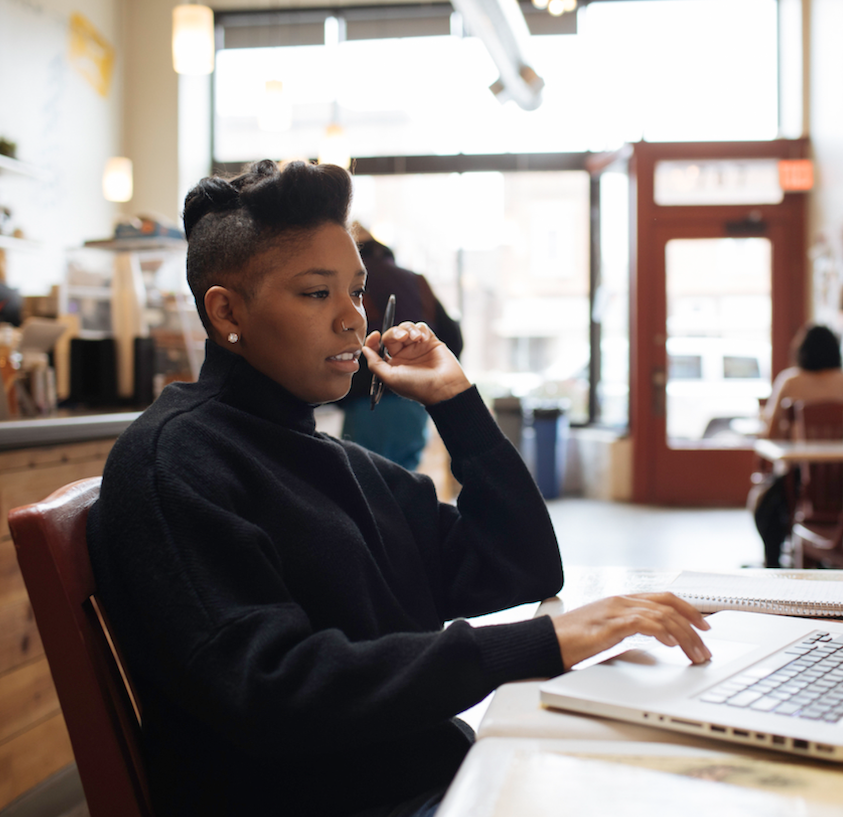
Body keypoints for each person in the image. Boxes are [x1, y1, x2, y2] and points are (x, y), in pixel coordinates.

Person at [87, 159, 712, 817]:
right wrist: (543, 644)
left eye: (355, 292)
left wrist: (456, 401)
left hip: (435, 780)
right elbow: (276, 690)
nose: (352, 321)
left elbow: (520, 566)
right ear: (227, 311)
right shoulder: (175, 462)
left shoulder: (335, 461)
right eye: (315, 293)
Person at [336, 225, 463, 470]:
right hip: (413, 404)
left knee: (364, 485)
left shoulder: (351, 281)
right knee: (406, 487)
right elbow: (453, 339)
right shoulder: (415, 281)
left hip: (368, 402)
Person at [753, 324, 843, 568]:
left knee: (764, 503)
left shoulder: (790, 381)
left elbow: (770, 435)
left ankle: (773, 562)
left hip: (803, 484)